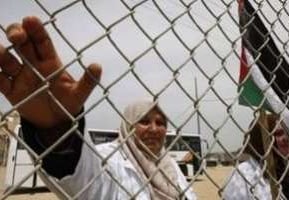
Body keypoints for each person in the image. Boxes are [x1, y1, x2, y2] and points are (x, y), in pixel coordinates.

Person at [0, 16, 197, 199]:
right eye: (144, 121)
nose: (154, 129)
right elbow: (83, 184)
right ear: (127, 126)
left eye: (161, 123)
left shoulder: (169, 166)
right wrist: (56, 130)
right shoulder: (108, 160)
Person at [222, 114, 289, 200]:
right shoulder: (242, 175)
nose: (286, 138)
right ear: (260, 140)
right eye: (278, 134)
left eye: (287, 132)